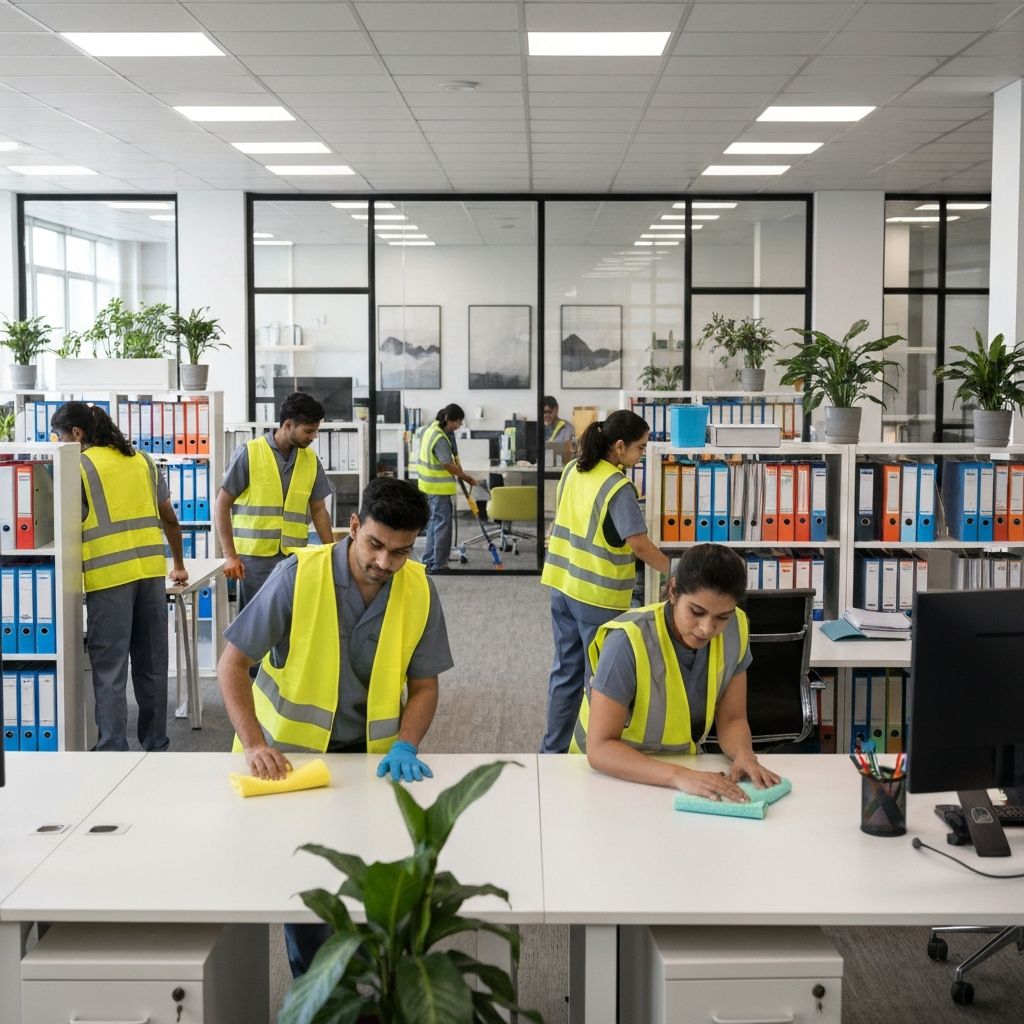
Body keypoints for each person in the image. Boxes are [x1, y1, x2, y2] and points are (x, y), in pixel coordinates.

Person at [217, 476, 452, 976]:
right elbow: (232, 665)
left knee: (374, 885)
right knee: (310, 890)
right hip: (291, 762)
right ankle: (318, 992)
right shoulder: (298, 575)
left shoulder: (418, 587)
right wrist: (254, 744)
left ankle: (367, 988)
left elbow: (424, 686)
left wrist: (407, 744)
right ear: (352, 525)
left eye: (401, 551)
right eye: (375, 545)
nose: (385, 562)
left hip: (371, 762)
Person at [571, 544, 781, 799]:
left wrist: (744, 754)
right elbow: (600, 749)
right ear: (672, 591)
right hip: (605, 776)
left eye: (722, 617)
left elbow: (732, 719)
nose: (707, 628)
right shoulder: (627, 641)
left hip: (677, 771)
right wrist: (679, 776)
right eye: (697, 612)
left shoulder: (735, 629)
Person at [51, 402, 188, 752]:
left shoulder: (78, 466)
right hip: (151, 575)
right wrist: (178, 564)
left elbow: (63, 528)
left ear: (77, 433)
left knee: (110, 669)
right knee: (153, 664)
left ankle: (112, 749)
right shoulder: (143, 460)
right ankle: (155, 743)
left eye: (60, 437)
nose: (59, 445)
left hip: (109, 579)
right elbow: (170, 518)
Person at [539, 409, 670, 753]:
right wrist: (675, 571)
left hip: (563, 586)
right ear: (620, 446)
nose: (643, 455)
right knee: (601, 682)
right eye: (641, 448)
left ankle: (551, 752)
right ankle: (594, 753)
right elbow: (639, 545)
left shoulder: (573, 469)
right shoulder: (618, 487)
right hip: (598, 597)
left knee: (566, 672)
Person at [215, 392, 334, 612]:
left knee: (290, 623)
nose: (314, 437)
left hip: (294, 558)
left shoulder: (310, 460)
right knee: (255, 624)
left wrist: (332, 553)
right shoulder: (249, 453)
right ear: (288, 425)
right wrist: (230, 556)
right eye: (309, 431)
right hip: (254, 561)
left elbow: (319, 510)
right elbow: (222, 504)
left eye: (315, 431)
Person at [416, 403, 478, 574]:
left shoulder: (431, 430)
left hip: (429, 486)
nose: (459, 425)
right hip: (438, 488)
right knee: (442, 527)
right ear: (449, 420)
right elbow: (447, 464)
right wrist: (466, 478)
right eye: (458, 422)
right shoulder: (440, 437)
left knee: (434, 525)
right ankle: (439, 564)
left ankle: (429, 561)